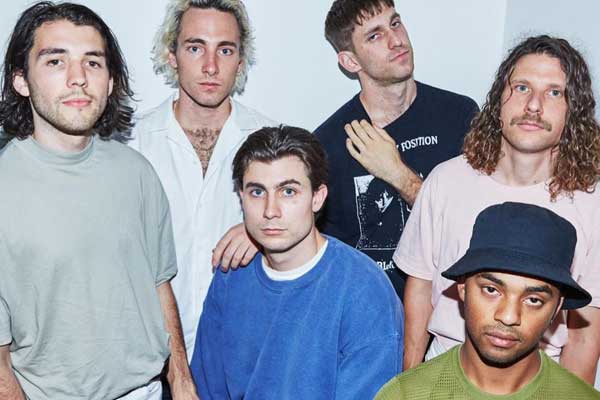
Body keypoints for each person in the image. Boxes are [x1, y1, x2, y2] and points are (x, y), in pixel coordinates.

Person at [0, 2, 197, 399]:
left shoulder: (137, 171)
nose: (78, 78)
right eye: (55, 61)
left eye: (92, 63)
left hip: (146, 391)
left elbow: (159, 286)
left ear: (109, 83)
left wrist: (182, 381)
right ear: (21, 80)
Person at [396, 35, 600, 383]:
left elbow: (585, 332)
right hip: (446, 369)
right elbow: (419, 290)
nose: (534, 105)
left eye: (554, 92)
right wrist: (409, 383)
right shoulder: (446, 180)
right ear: (498, 100)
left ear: (574, 111)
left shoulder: (592, 203)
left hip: (538, 378)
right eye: (521, 87)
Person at [190, 126, 403, 399]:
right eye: (257, 192)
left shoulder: (363, 290)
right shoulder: (232, 275)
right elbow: (208, 389)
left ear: (317, 197)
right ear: (241, 197)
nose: (270, 211)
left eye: (288, 191)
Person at [129, 0, 274, 362]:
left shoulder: (272, 141)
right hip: (150, 356)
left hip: (243, 354)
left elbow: (309, 236)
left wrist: (266, 230)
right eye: (196, 48)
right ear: (172, 55)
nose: (211, 66)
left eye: (225, 50)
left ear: (240, 60)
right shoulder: (133, 142)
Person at [315, 0, 479, 298]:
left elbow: (474, 227)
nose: (396, 40)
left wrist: (398, 175)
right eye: (375, 36)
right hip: (369, 313)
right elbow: (318, 251)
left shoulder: (459, 115)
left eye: (395, 23)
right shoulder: (328, 144)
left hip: (450, 306)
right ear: (350, 62)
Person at [377, 203, 600, 399]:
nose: (508, 316)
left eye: (533, 300)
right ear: (462, 287)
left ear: (557, 307)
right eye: (491, 290)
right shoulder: (404, 395)